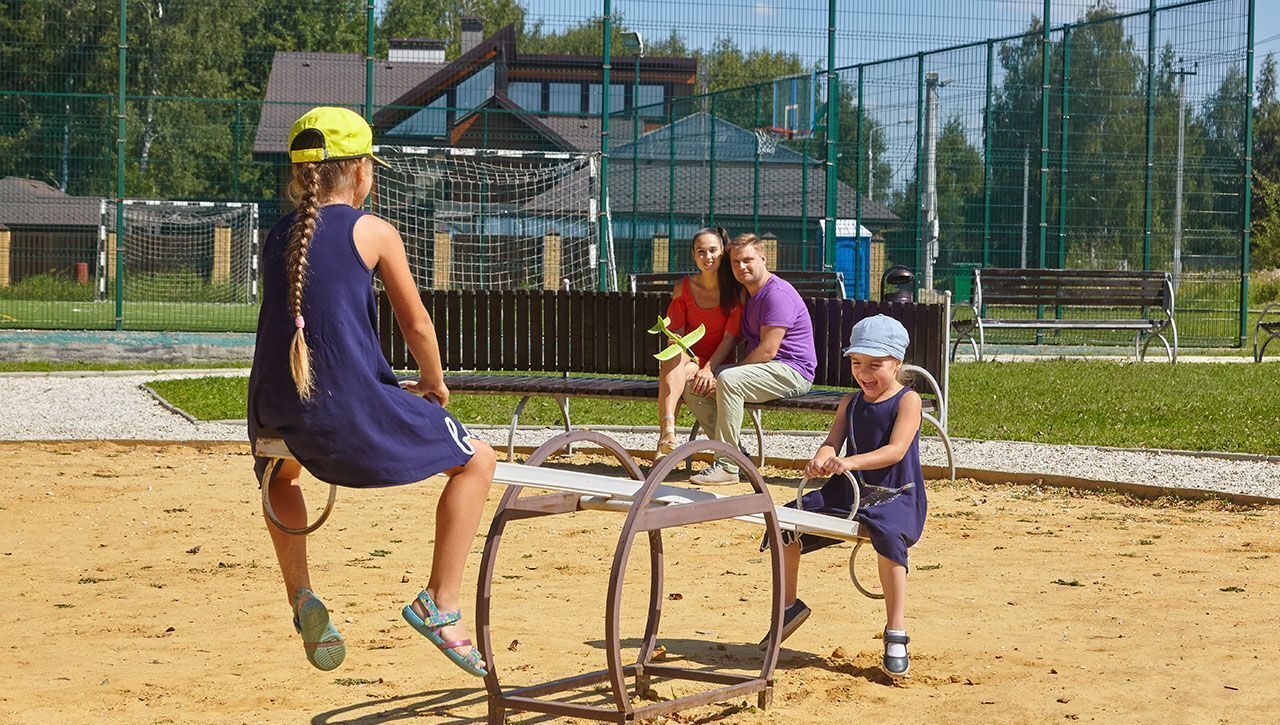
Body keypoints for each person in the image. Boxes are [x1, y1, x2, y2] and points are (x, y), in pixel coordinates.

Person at [247, 107, 494, 677]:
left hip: (275, 410)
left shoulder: (278, 234)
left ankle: (301, 595)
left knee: (280, 478)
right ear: (360, 170)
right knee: (477, 460)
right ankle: (441, 602)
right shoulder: (373, 229)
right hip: (344, 409)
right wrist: (433, 384)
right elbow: (417, 326)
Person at [765, 314, 927, 678]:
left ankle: (896, 630)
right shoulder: (849, 403)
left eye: (875, 364)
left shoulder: (908, 400)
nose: (864, 373)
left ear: (897, 363)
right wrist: (821, 459)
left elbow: (896, 451)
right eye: (857, 363)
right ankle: (789, 605)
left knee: (888, 535)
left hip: (894, 495)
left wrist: (848, 462)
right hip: (847, 494)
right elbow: (831, 443)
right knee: (785, 520)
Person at [683, 233, 815, 485]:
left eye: (748, 260)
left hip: (793, 372)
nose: (741, 266)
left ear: (763, 258)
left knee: (728, 380)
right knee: (693, 384)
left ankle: (727, 467)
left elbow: (768, 351)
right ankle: (738, 456)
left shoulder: (776, 294)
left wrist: (722, 376)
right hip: (764, 372)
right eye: (735, 262)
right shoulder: (749, 294)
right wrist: (708, 371)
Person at [654, 227, 743, 457]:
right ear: (693, 255)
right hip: (689, 357)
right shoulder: (683, 287)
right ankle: (669, 431)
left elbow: (730, 338)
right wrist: (686, 354)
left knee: (676, 373)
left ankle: (664, 443)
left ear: (723, 251)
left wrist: (709, 369)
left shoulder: (734, 289)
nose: (708, 257)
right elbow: (676, 333)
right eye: (701, 252)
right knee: (673, 354)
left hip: (718, 362)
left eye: (713, 250)